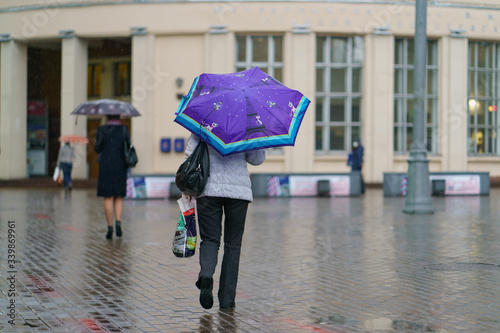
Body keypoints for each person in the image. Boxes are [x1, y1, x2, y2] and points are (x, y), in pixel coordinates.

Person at [184, 134, 266, 310]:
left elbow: (190, 153)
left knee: (210, 239)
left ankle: (206, 276)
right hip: (239, 192)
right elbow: (257, 159)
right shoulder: (247, 123)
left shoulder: (205, 119)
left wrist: (188, 186)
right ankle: (227, 300)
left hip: (208, 189)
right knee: (233, 245)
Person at [95, 115, 130, 240]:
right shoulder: (124, 129)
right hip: (120, 166)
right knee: (118, 196)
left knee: (108, 197)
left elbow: (97, 148)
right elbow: (128, 145)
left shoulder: (101, 129)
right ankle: (118, 222)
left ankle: (110, 227)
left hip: (106, 166)